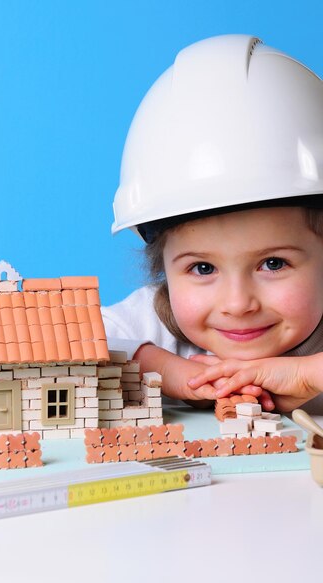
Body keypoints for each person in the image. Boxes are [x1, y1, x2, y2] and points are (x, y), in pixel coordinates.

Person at [102, 34, 323, 414]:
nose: (237, 304)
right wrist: (167, 371)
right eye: (202, 268)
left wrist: (306, 374)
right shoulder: (155, 322)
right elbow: (71, 342)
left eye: (273, 263)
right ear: (164, 268)